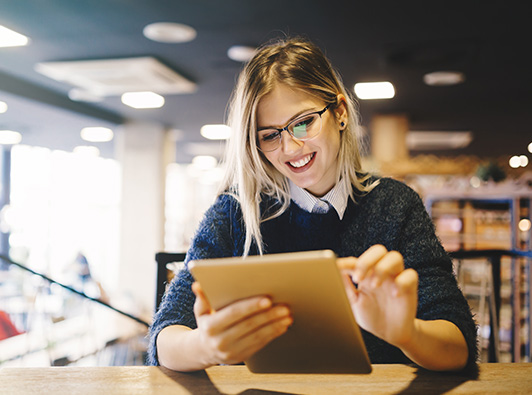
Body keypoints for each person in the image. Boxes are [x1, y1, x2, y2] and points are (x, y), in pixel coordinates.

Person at [148, 37, 477, 372]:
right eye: (270, 135)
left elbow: (458, 346)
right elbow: (166, 337)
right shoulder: (235, 212)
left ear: (340, 113)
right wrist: (204, 346)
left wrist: (407, 333)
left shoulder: (395, 205)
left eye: (303, 122)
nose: (291, 148)